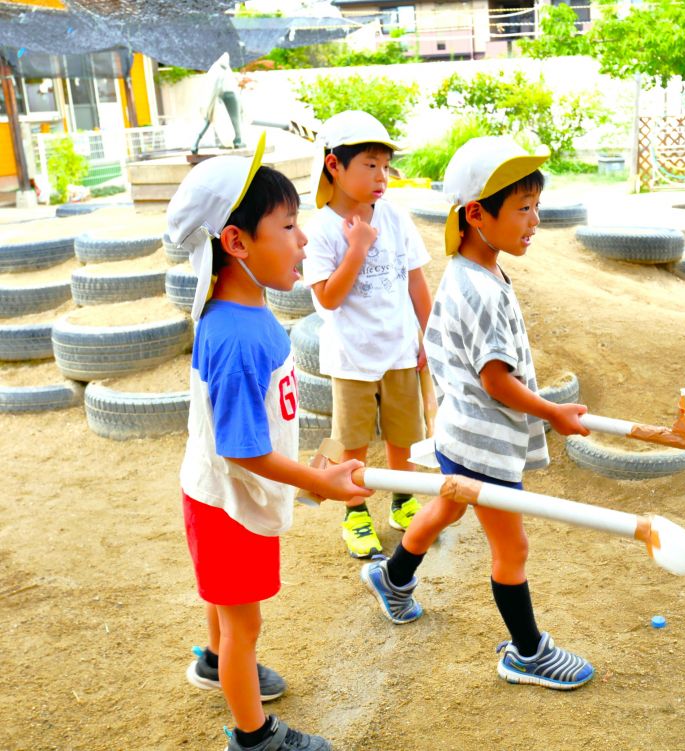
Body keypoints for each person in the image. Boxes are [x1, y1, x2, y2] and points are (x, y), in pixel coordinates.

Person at [359, 136, 596, 690]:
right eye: (521, 208)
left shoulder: (468, 274)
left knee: (446, 508)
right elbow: (496, 379)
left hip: (459, 432)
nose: (534, 220)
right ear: (475, 214)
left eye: (536, 206)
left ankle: (393, 579)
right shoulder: (481, 291)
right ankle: (528, 652)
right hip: (484, 440)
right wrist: (552, 414)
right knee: (512, 547)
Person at [166, 133, 372, 751]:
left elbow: (257, 431)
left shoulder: (246, 315)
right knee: (244, 624)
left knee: (228, 615)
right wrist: (318, 483)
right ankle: (254, 738)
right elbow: (241, 449)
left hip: (225, 494)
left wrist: (303, 472)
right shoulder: (236, 336)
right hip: (227, 505)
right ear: (235, 243)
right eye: (288, 226)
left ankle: (213, 659)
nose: (304, 240)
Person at [302, 110, 433, 559]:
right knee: (351, 439)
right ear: (334, 166)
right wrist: (357, 248)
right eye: (369, 165)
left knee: (405, 435)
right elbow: (329, 298)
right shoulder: (319, 229)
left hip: (399, 350)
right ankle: (355, 511)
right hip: (352, 358)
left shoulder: (395, 217)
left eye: (384, 165)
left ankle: (403, 500)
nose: (381, 176)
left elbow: (415, 280)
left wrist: (428, 337)